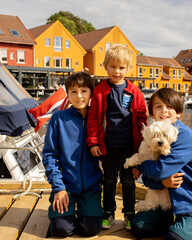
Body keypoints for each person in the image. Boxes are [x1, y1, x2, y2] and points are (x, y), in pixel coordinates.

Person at [131, 88, 192, 239]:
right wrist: (162, 183)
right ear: (151, 114)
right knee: (139, 226)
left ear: (178, 112)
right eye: (158, 106)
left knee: (175, 238)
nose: (164, 111)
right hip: (172, 205)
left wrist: (140, 164)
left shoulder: (182, 135)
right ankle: (177, 224)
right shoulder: (155, 137)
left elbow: (160, 171)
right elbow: (148, 179)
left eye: (169, 106)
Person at [86, 44, 147, 230]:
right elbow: (93, 119)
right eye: (113, 67)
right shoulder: (100, 91)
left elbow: (142, 120)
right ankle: (108, 212)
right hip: (108, 147)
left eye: (121, 67)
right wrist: (93, 142)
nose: (117, 71)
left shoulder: (135, 92)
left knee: (128, 182)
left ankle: (129, 214)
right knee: (109, 181)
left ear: (128, 69)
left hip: (129, 147)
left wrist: (142, 150)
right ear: (105, 66)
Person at [42, 72, 102, 237]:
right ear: (68, 94)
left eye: (84, 91)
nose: (79, 96)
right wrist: (58, 187)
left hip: (91, 186)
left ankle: (84, 211)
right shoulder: (58, 118)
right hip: (65, 185)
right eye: (73, 91)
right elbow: (49, 155)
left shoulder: (98, 118)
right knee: (62, 230)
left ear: (91, 93)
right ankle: (61, 214)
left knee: (89, 230)